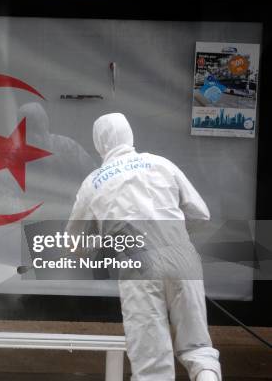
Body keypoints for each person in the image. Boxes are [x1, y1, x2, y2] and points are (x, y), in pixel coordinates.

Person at [67, 113, 222, 381]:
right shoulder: (161, 164)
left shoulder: (93, 182)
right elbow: (202, 215)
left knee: (152, 363)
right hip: (183, 258)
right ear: (129, 135)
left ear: (99, 143)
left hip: (137, 265)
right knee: (198, 348)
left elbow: (74, 244)